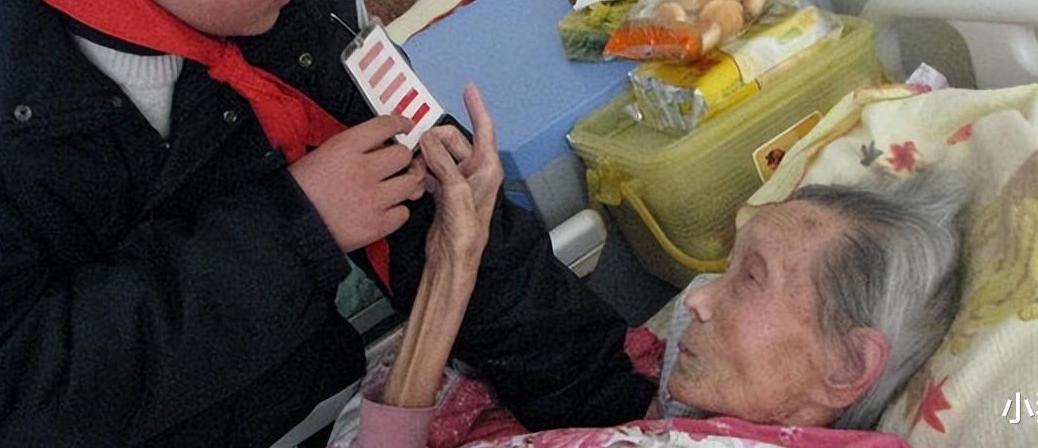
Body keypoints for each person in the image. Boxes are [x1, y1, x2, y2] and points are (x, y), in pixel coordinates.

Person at [0, 0, 653, 445]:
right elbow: (18, 390)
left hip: (317, 397)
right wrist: (297, 229)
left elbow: (449, 220)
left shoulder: (284, 0)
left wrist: (619, 412)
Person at [348, 172, 965, 447]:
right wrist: (453, 270)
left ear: (847, 365)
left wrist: (445, 293)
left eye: (750, 278)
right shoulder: (658, 393)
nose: (696, 298)